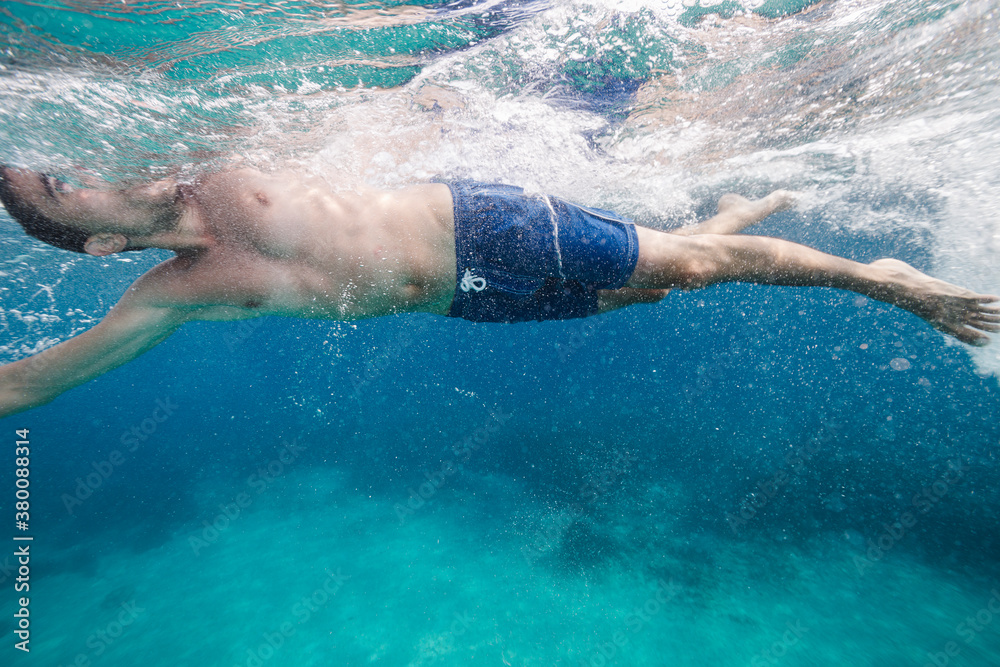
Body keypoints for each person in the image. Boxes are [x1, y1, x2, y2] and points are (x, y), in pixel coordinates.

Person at [0, 165, 996, 418]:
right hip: (460, 298)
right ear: (96, 239)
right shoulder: (168, 295)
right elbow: (33, 383)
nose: (85, 168)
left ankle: (888, 283)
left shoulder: (210, 169)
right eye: (61, 184)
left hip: (478, 222)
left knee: (688, 268)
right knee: (648, 290)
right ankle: (726, 217)